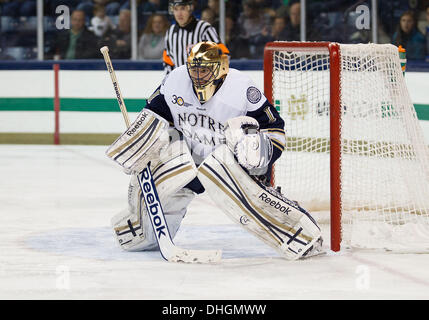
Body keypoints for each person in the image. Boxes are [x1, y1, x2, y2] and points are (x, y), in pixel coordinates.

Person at [107, 41, 323, 261]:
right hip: (187, 159)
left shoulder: (242, 88)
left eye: (204, 69)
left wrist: (258, 154)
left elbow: (274, 129)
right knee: (161, 170)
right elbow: (153, 115)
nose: (198, 75)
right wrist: (140, 144)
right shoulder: (175, 80)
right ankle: (142, 231)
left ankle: (299, 234)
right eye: (194, 69)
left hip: (230, 165)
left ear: (219, 68)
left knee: (234, 172)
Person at [163, 0, 228, 75]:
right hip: (180, 82)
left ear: (190, 8)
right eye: (176, 9)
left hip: (204, 82)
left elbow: (223, 54)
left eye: (183, 8)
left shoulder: (204, 28)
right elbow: (167, 60)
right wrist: (169, 79)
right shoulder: (170, 31)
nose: (179, 14)